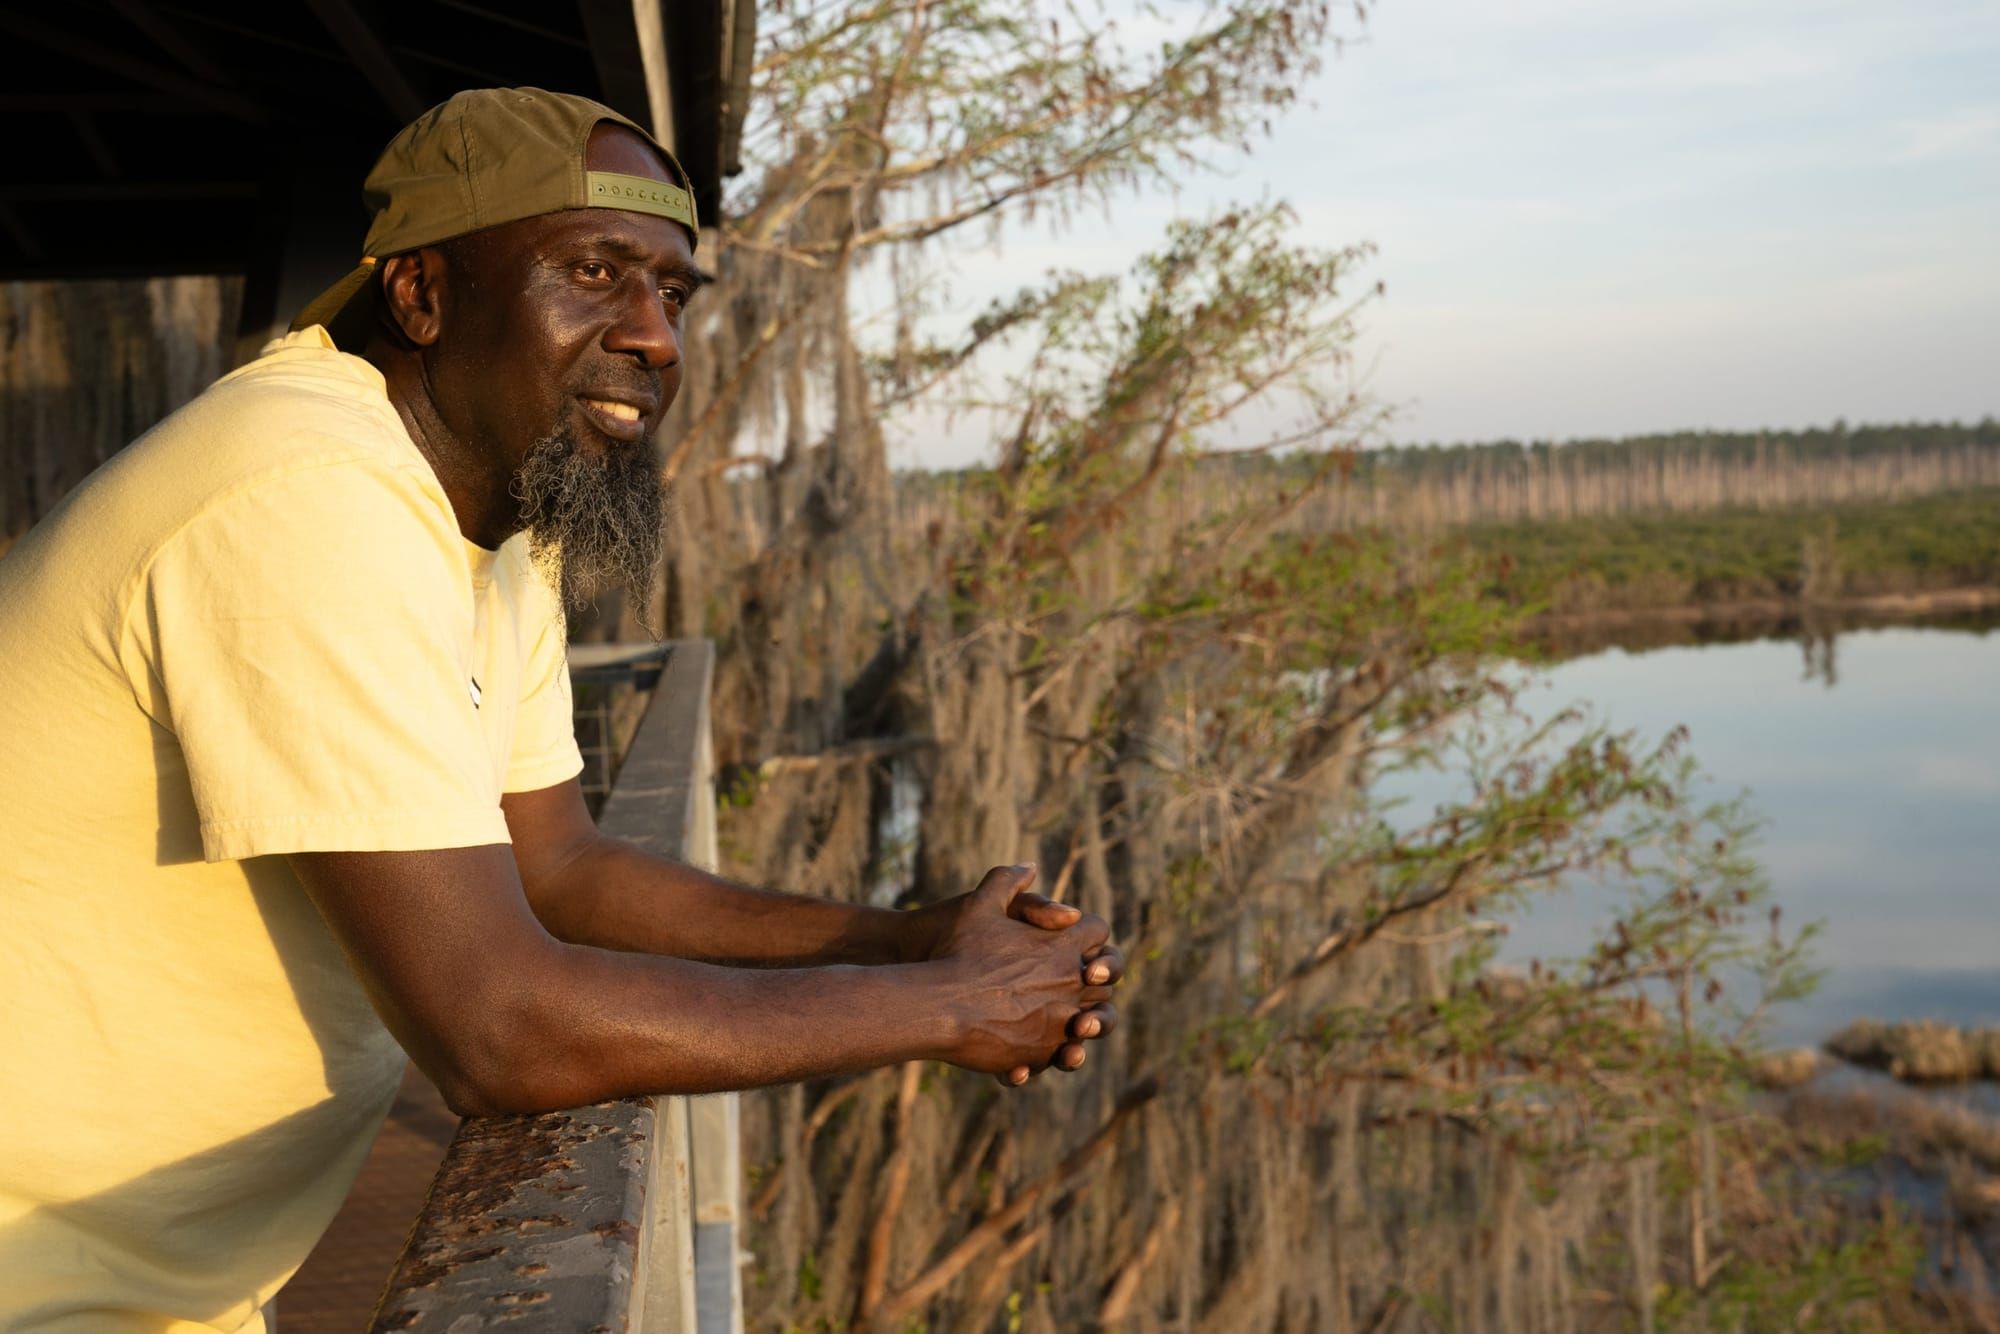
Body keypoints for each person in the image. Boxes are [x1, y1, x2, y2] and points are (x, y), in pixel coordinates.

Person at [0, 87, 1121, 1328]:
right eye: (592, 272)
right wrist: (950, 1006)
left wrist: (907, 941)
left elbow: (561, 866)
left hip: (153, 1281)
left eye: (673, 293)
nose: (653, 335)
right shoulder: (305, 492)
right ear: (421, 295)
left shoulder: (490, 527)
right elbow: (498, 1029)